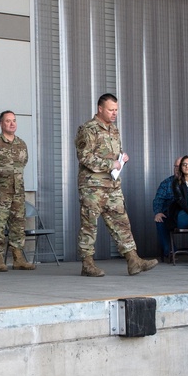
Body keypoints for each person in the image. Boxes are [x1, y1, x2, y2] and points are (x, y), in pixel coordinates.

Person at [74, 93, 158, 277]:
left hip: (112, 184)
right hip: (92, 186)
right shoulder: (87, 129)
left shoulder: (114, 130)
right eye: (111, 110)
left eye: (116, 110)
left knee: (121, 221)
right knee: (89, 225)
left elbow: (112, 155)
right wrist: (109, 164)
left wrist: (121, 158)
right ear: (100, 109)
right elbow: (84, 157)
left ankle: (133, 260)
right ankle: (87, 264)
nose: (114, 113)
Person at [0, 110, 35, 272]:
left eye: (14, 120)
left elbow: (23, 163)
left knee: (18, 224)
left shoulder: (21, 144)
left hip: (18, 192)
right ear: (1, 124)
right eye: (8, 121)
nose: (12, 123)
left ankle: (18, 258)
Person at [152, 157, 183, 259]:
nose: (177, 169)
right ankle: (170, 251)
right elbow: (158, 199)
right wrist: (158, 212)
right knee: (160, 219)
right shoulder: (166, 183)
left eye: (180, 166)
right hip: (170, 215)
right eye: (175, 166)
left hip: (187, 214)